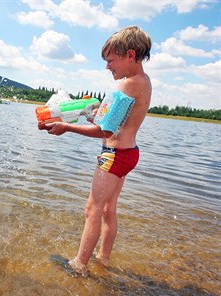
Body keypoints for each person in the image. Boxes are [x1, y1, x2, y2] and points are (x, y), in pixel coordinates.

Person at [39, 25, 152, 276]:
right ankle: (103, 259)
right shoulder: (143, 81)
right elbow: (111, 122)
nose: (107, 66)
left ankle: (79, 265)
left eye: (111, 61)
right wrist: (91, 111)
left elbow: (106, 132)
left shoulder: (127, 85)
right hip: (129, 153)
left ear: (130, 55)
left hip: (114, 155)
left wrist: (65, 127)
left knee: (93, 209)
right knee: (109, 209)